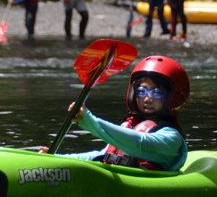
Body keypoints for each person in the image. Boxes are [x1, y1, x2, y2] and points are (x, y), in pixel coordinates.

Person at [40, 55, 190, 171]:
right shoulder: (130, 126)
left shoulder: (172, 139)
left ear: (174, 97)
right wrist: (57, 158)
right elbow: (100, 155)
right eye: (142, 91)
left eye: (157, 92)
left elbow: (140, 144)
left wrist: (91, 121)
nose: (147, 98)